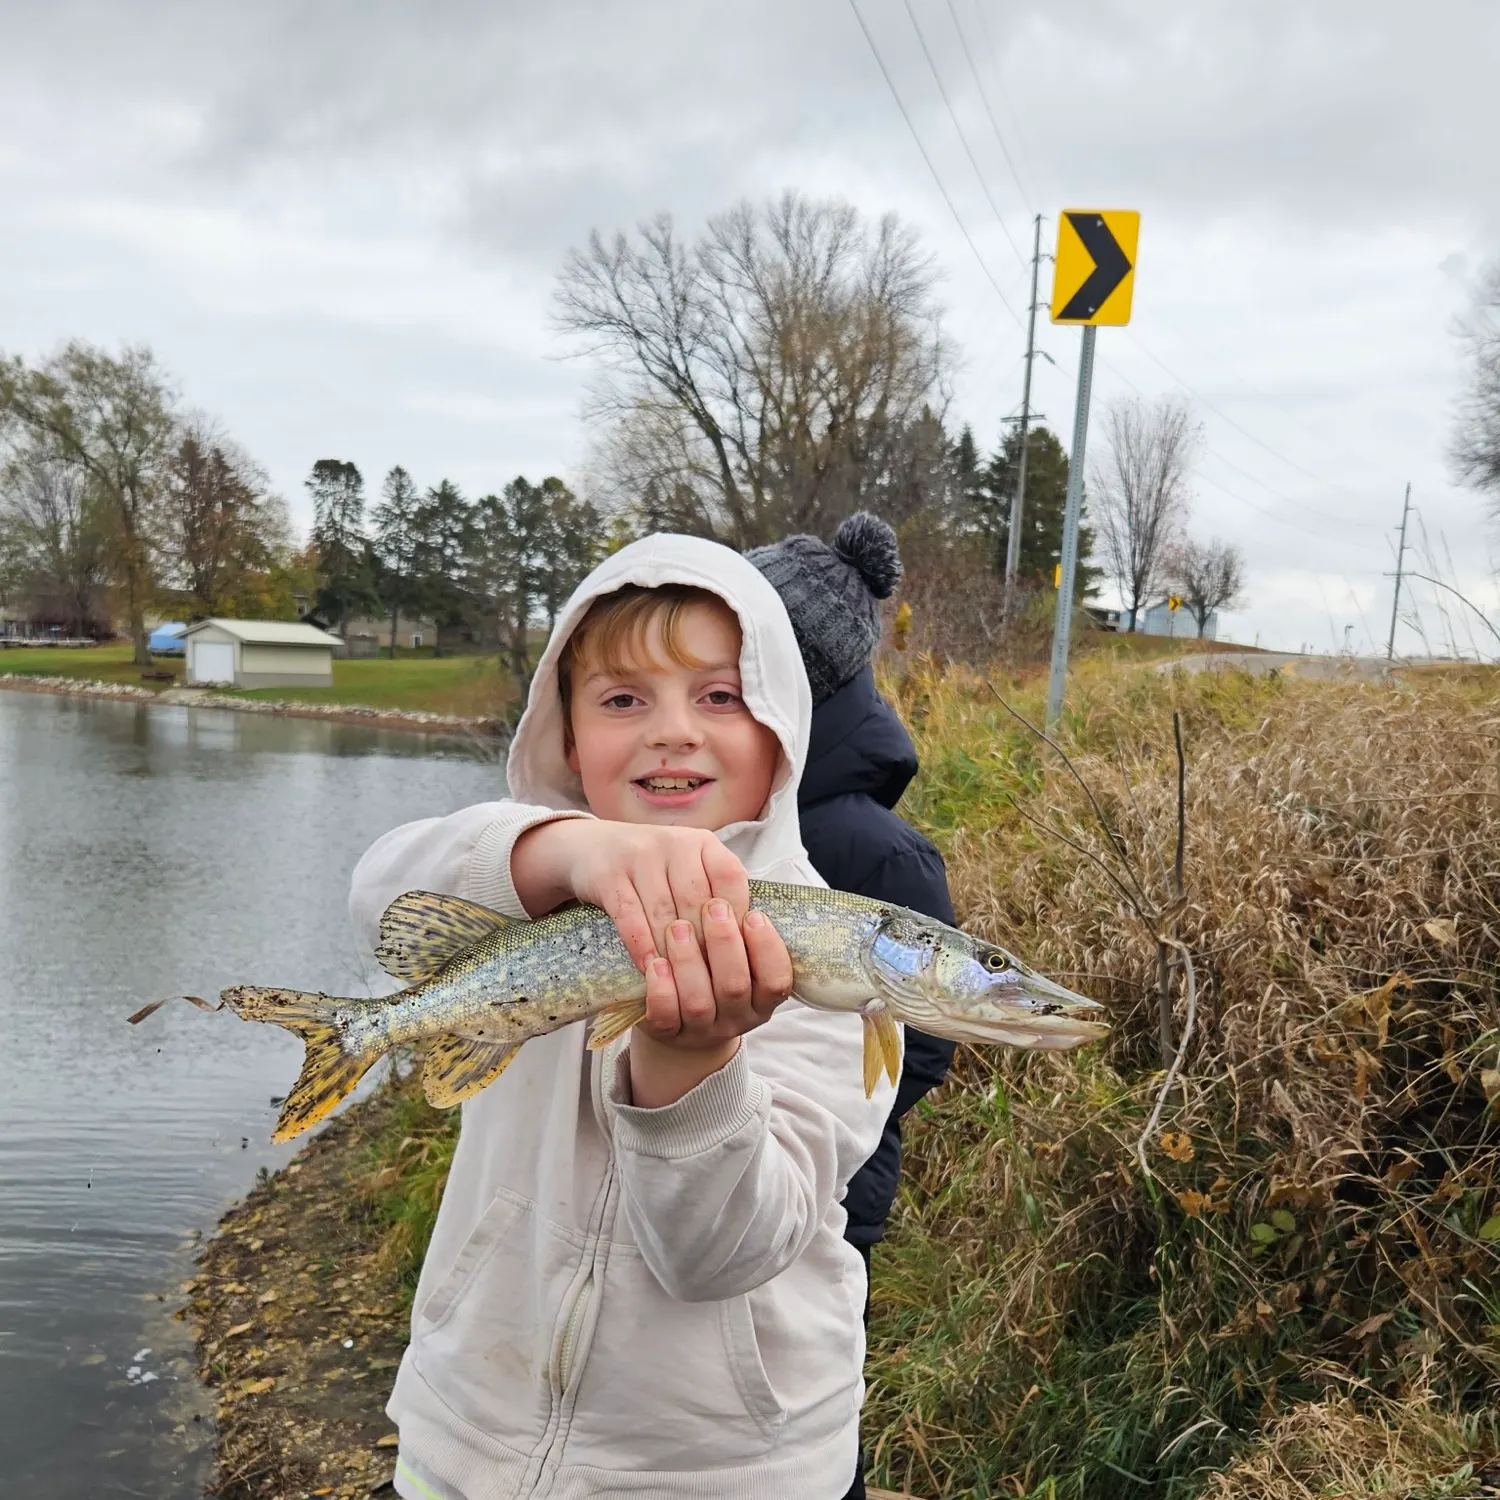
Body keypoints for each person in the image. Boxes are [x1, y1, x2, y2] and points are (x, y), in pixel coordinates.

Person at [348, 534, 894, 1500]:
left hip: (726, 1472)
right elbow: (383, 891)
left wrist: (695, 1064)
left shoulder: (835, 977)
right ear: (565, 739)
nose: (671, 732)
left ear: (784, 730)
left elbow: (719, 1255)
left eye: (721, 696)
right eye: (622, 699)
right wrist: (567, 853)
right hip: (471, 1438)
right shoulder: (539, 885)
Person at [748, 514, 956, 1500]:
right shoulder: (736, 814)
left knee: (808, 1385)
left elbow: (921, 1043)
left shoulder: (881, 853)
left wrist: (826, 1123)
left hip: (831, 1183)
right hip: (696, 1167)